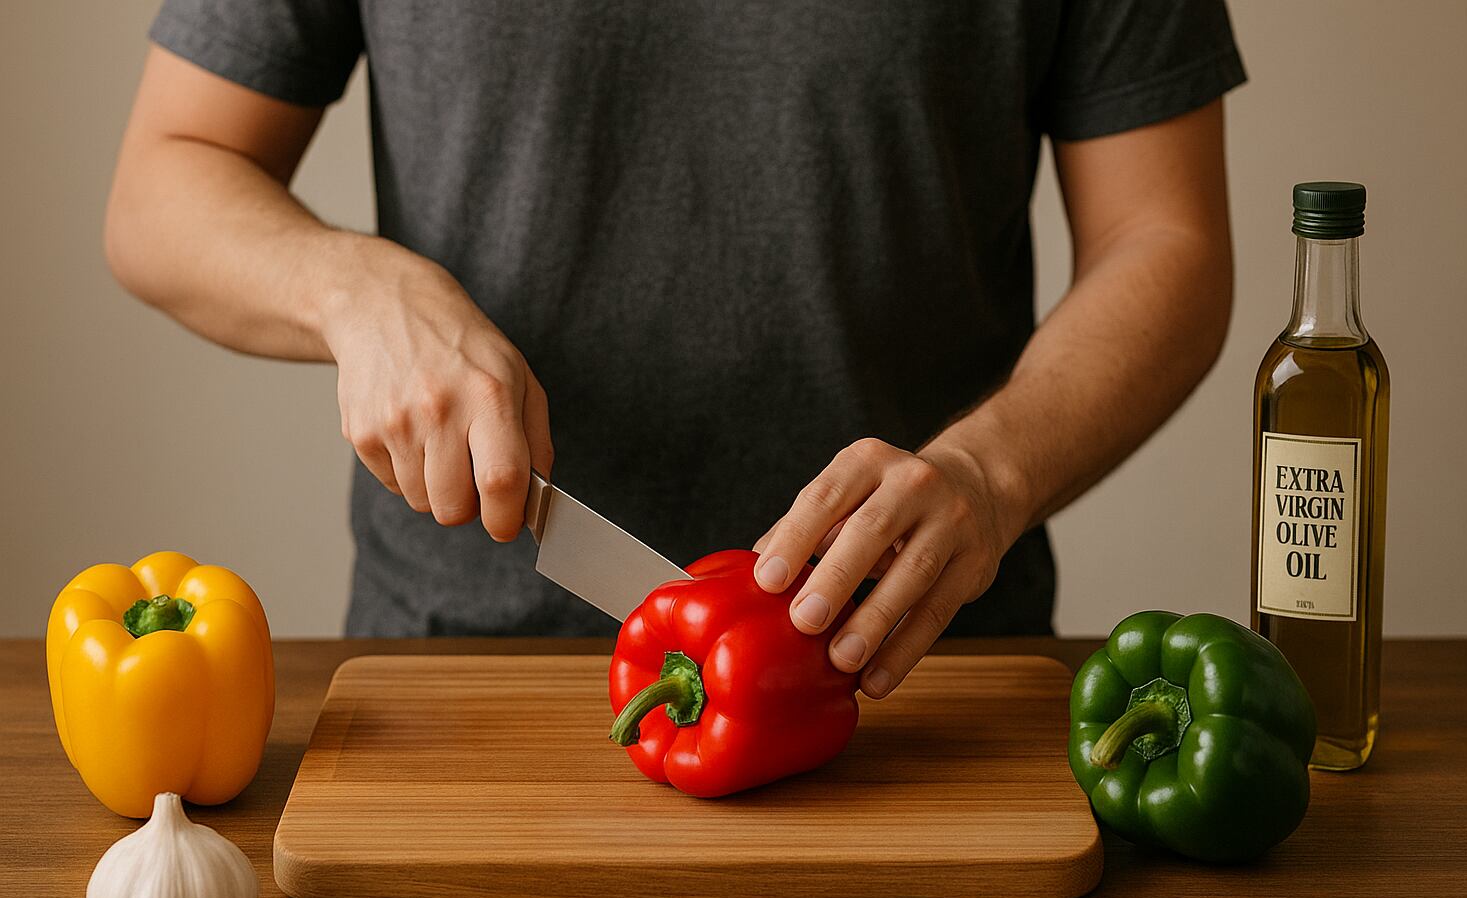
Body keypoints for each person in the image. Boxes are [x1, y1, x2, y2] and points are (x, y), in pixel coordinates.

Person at [106, 2, 1243, 700]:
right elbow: (162, 183)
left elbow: (1168, 238)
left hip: (919, 688)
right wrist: (354, 291)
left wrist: (990, 476)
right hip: (461, 684)